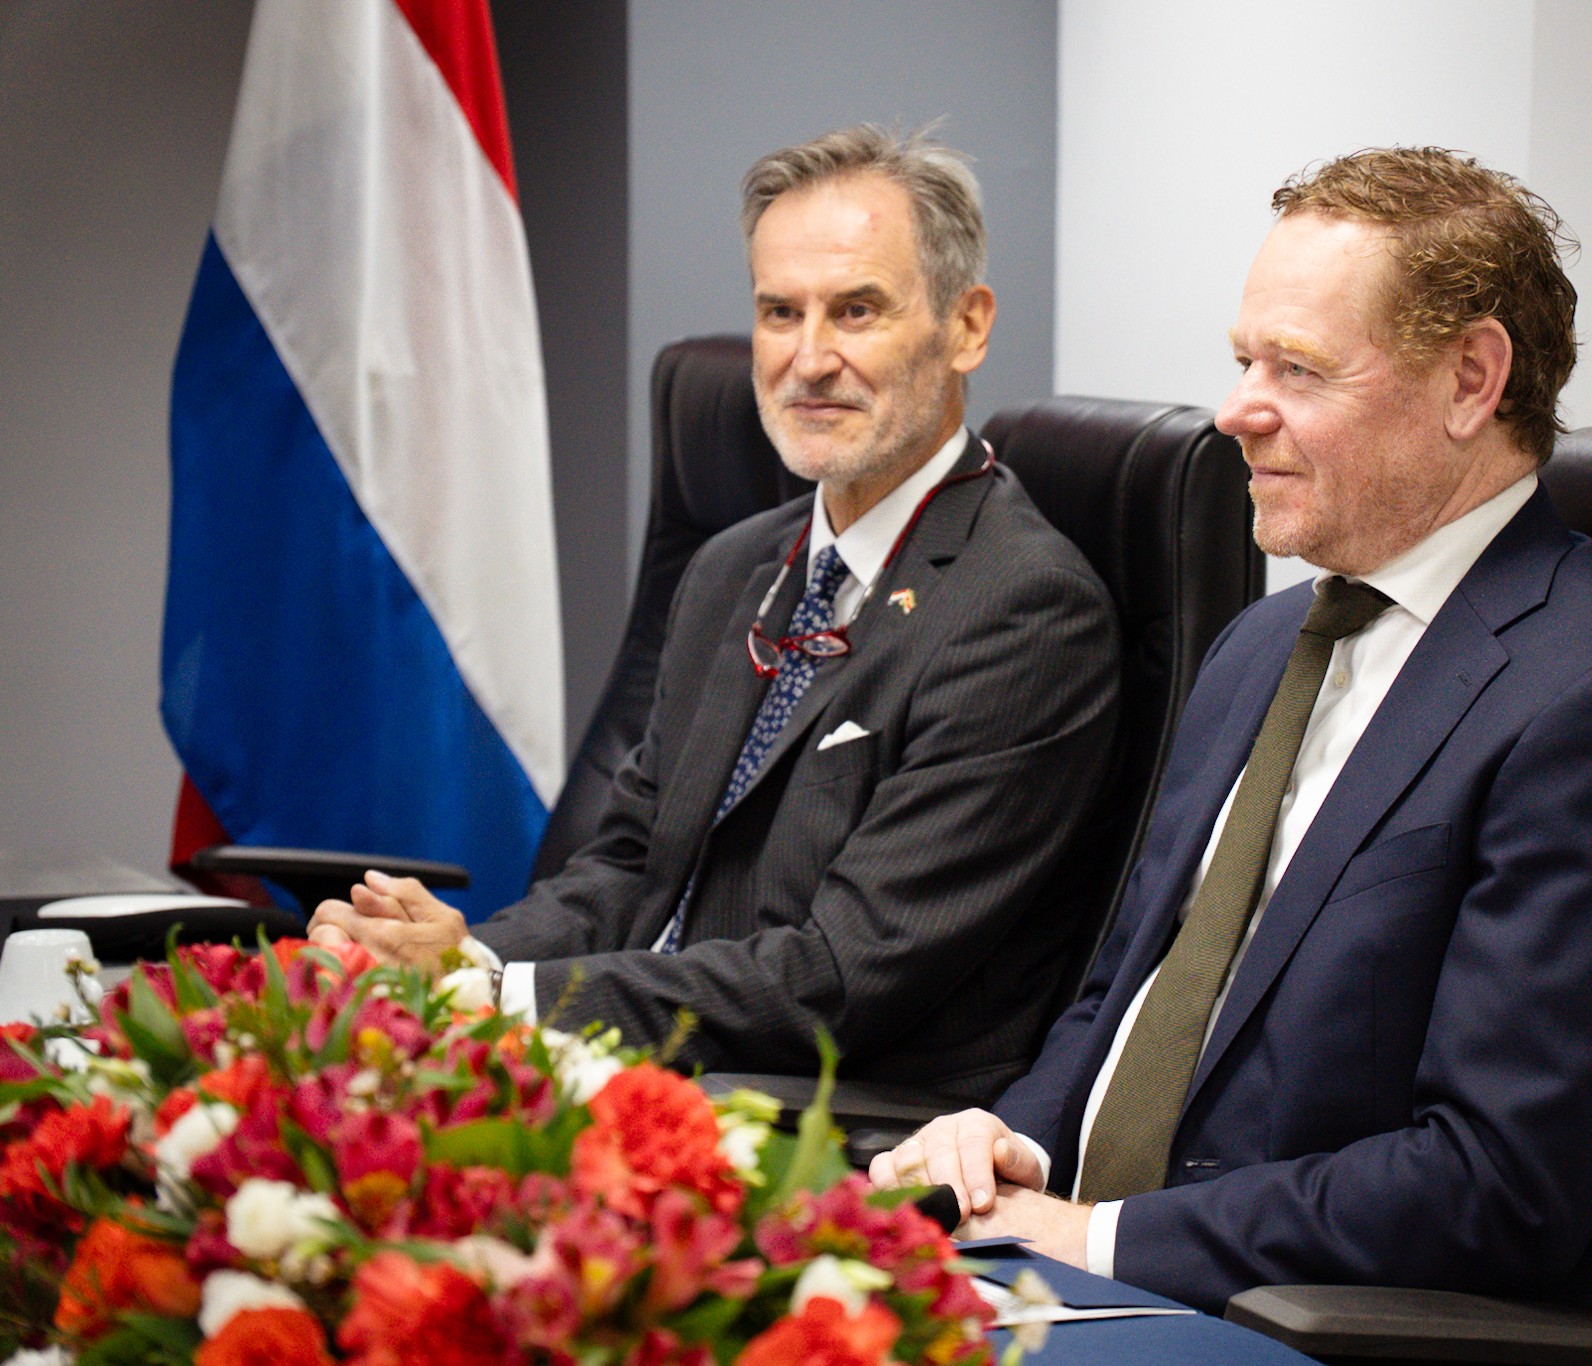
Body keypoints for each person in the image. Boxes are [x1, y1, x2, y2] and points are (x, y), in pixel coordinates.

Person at [868, 147, 1592, 1312]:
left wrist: (1095, 1237)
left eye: (1297, 368)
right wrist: (1007, 1143)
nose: (1235, 410)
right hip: (1074, 1275)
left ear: (1470, 380)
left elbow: (1494, 1185)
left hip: (1283, 1323)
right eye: (1243, 360)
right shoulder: (1260, 645)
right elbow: (1123, 1001)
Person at [310, 126, 1121, 1104]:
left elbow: (838, 975)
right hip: (639, 1060)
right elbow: (629, 866)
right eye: (780, 312)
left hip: (829, 1120)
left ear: (966, 327)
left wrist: (489, 996)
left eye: (856, 310)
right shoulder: (732, 568)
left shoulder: (1024, 611)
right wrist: (453, 958)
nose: (808, 359)